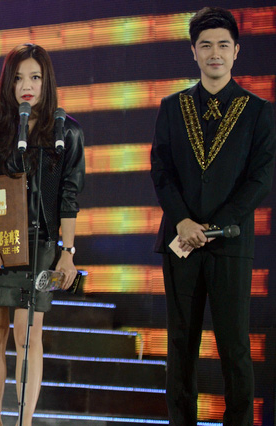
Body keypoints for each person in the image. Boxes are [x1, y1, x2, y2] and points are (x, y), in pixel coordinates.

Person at [150, 7, 276, 426]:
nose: (215, 53)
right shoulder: (172, 106)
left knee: (234, 347)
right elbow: (161, 170)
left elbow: (261, 178)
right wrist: (183, 221)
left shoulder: (258, 111)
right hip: (180, 242)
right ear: (194, 52)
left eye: (223, 45)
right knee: (180, 346)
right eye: (206, 45)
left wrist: (217, 225)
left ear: (236, 51)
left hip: (231, 243)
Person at [0, 43, 85, 426]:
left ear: (47, 82)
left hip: (41, 247)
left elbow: (70, 196)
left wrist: (68, 251)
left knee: (29, 337)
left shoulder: (66, 132)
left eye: (35, 77)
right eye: (17, 78)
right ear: (7, 83)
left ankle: (24, 421)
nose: (26, 86)